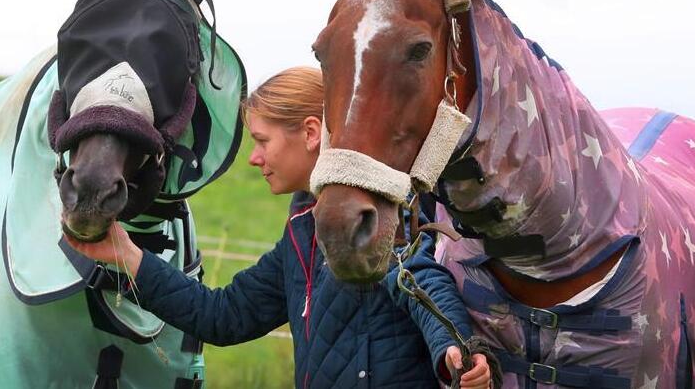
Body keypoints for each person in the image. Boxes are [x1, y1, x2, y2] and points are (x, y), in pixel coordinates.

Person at [66, 67, 492, 388]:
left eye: (262, 140)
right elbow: (224, 317)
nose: (254, 157)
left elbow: (420, 279)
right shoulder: (302, 231)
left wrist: (452, 347)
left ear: (309, 133)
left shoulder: (372, 215)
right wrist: (128, 255)